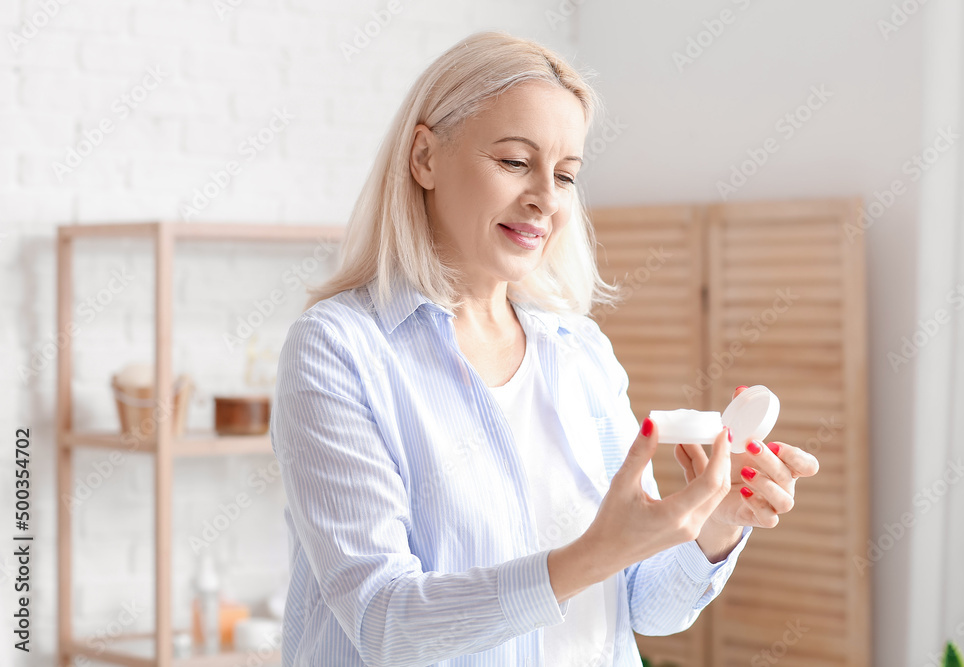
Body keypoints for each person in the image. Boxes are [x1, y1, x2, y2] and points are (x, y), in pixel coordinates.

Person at [270, 30, 819, 667]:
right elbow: (386, 624)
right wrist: (594, 555)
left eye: (565, 175)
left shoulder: (579, 353)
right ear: (424, 157)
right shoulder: (339, 350)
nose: (546, 198)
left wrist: (715, 524)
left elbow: (644, 608)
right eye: (513, 162)